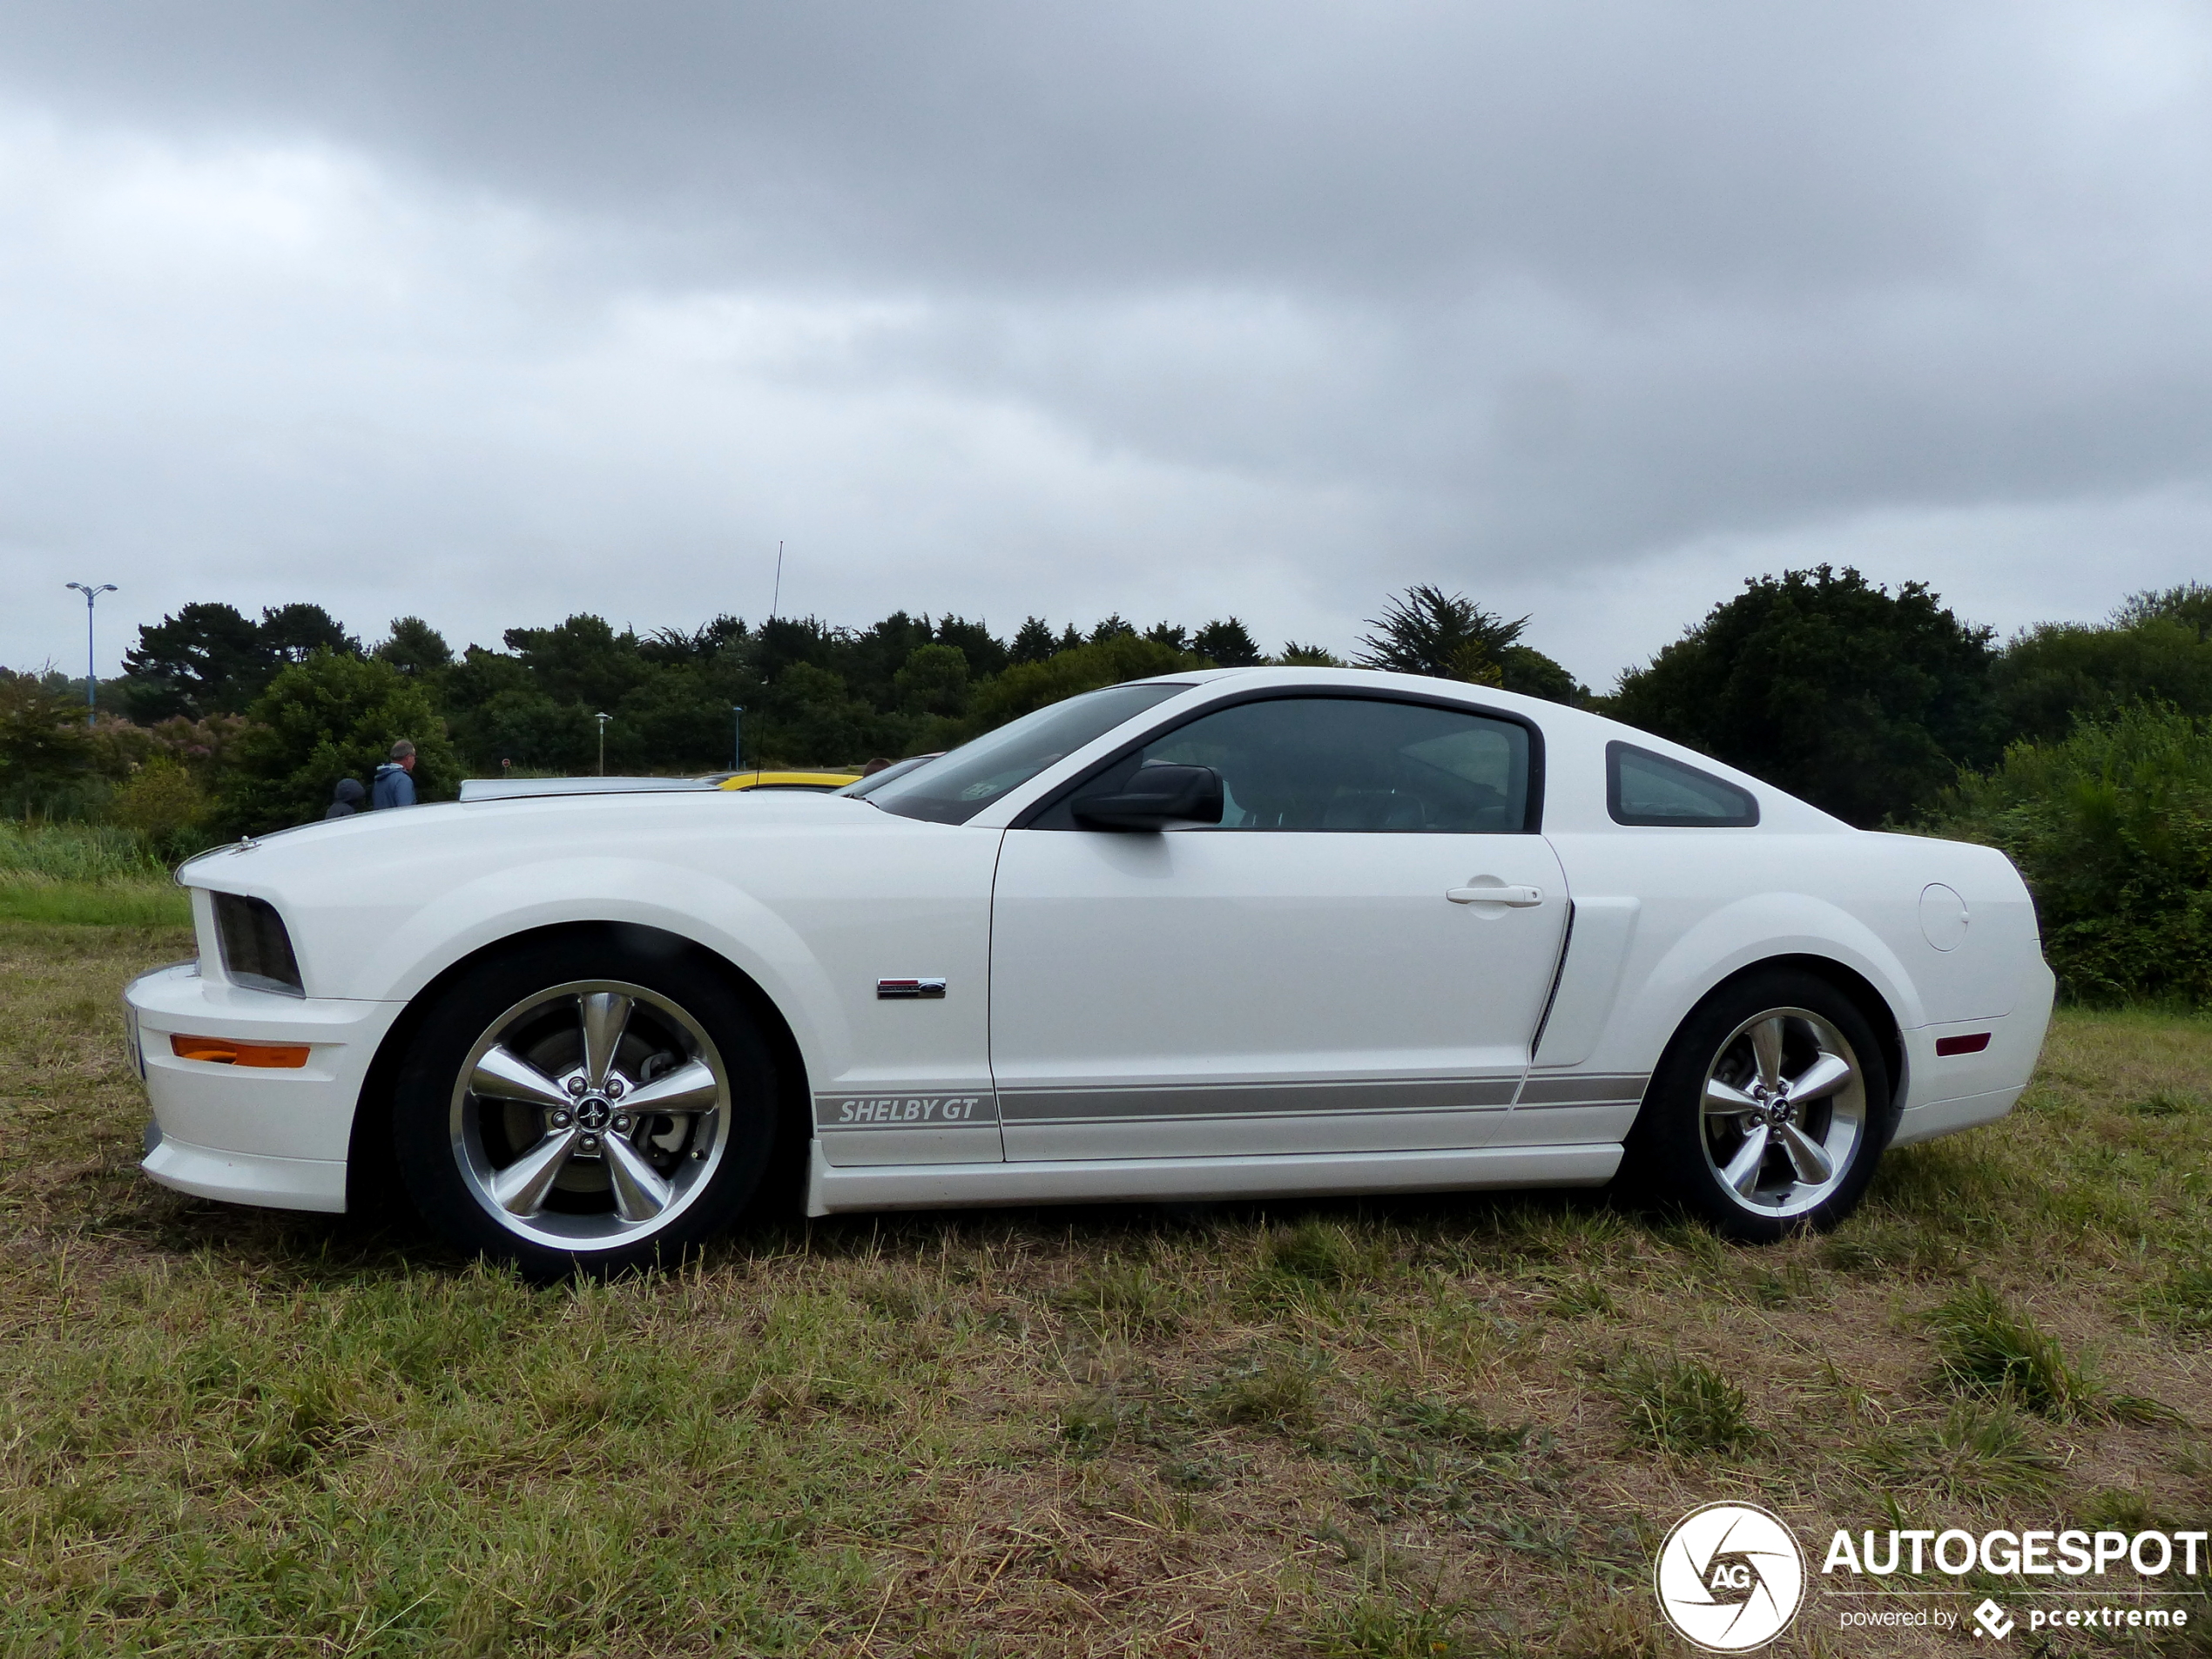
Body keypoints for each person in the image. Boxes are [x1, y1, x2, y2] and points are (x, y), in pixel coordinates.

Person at [371, 739, 419, 808]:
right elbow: (405, 811)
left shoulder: (380, 777)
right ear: (408, 758)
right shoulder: (403, 780)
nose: (414, 761)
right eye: (414, 757)